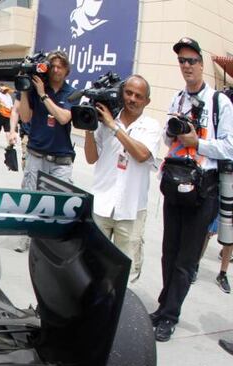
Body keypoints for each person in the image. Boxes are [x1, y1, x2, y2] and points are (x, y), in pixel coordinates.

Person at [150, 37, 233, 342]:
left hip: (204, 187)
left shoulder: (219, 102)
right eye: (181, 61)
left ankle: (170, 316)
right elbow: (166, 136)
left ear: (201, 64)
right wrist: (172, 134)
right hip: (175, 182)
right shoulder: (178, 99)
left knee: (186, 259)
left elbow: (229, 147)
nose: (186, 66)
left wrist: (196, 142)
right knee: (168, 252)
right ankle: (162, 308)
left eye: (191, 60)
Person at [83, 75, 160, 282]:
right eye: (128, 93)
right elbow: (91, 158)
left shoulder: (151, 126)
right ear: (121, 93)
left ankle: (117, 309)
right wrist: (90, 127)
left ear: (147, 101)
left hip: (131, 210)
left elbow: (142, 154)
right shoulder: (105, 119)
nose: (132, 99)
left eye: (138, 96)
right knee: (94, 265)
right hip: (101, 204)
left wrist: (113, 126)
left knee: (123, 272)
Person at [14, 50, 77, 253]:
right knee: (30, 197)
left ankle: (48, 241)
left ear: (67, 70)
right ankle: (25, 236)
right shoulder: (36, 88)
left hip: (61, 158)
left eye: (61, 66)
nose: (56, 70)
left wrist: (42, 94)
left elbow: (63, 118)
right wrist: (25, 90)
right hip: (36, 154)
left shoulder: (72, 92)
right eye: (53, 66)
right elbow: (24, 118)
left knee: (58, 203)